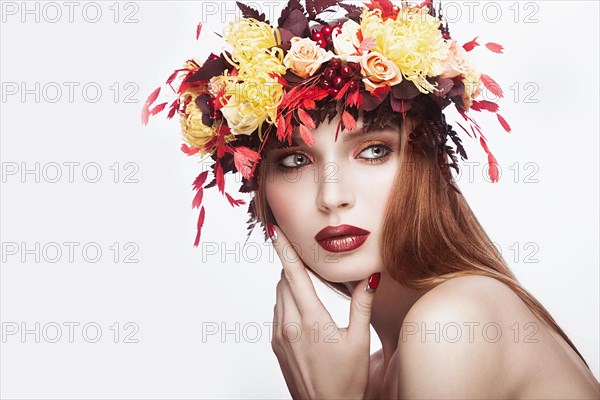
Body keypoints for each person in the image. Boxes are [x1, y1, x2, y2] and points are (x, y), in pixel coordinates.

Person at [143, 0, 600, 398]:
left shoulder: (452, 325)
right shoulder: (372, 371)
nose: (333, 197)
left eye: (374, 151)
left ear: (426, 160)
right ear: (258, 185)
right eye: (294, 162)